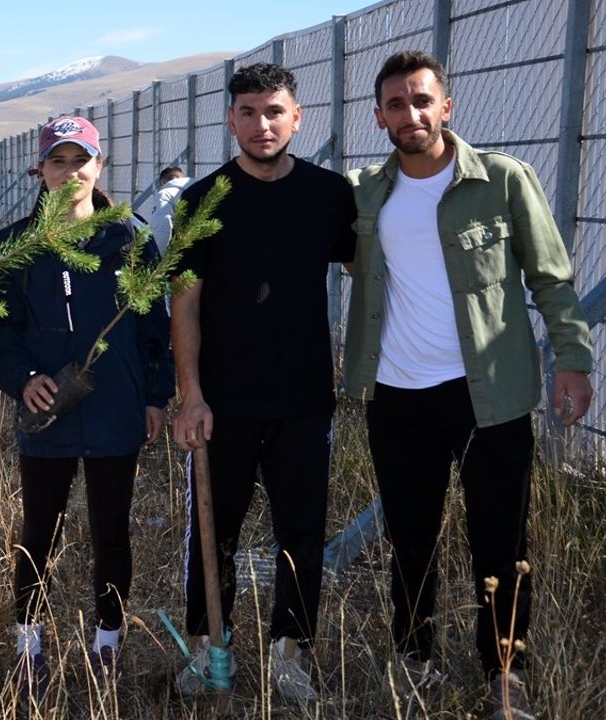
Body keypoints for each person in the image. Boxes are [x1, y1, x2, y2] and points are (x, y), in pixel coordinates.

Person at [345, 50, 594, 719]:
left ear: (446, 107)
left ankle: (505, 674)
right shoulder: (365, 192)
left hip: (489, 395)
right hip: (396, 396)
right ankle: (414, 655)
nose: (411, 113)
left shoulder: (505, 180)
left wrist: (574, 358)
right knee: (411, 535)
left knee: (502, 540)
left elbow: (550, 277)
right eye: (396, 104)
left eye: (422, 100)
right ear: (379, 117)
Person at [170, 63, 356, 703]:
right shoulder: (203, 200)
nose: (261, 124)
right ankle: (207, 648)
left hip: (304, 398)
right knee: (212, 530)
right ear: (230, 121)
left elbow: (375, 271)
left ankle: (290, 654)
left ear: (297, 117)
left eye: (274, 111)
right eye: (247, 112)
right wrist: (190, 394)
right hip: (224, 402)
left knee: (301, 531)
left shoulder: (331, 196)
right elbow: (185, 303)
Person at [0, 116, 174, 702]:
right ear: (40, 171)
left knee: (111, 531)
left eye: (80, 160)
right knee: (40, 530)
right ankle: (28, 646)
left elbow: (154, 328)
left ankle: (107, 642)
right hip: (49, 414)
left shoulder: (130, 238)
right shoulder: (19, 246)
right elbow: (3, 334)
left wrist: (153, 396)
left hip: (116, 411)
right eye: (58, 162)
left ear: (100, 166)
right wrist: (24, 380)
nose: (70, 173)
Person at [149, 166, 191, 254]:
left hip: (180, 251)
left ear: (163, 182)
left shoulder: (165, 194)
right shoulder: (199, 188)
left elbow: (163, 225)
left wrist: (159, 258)